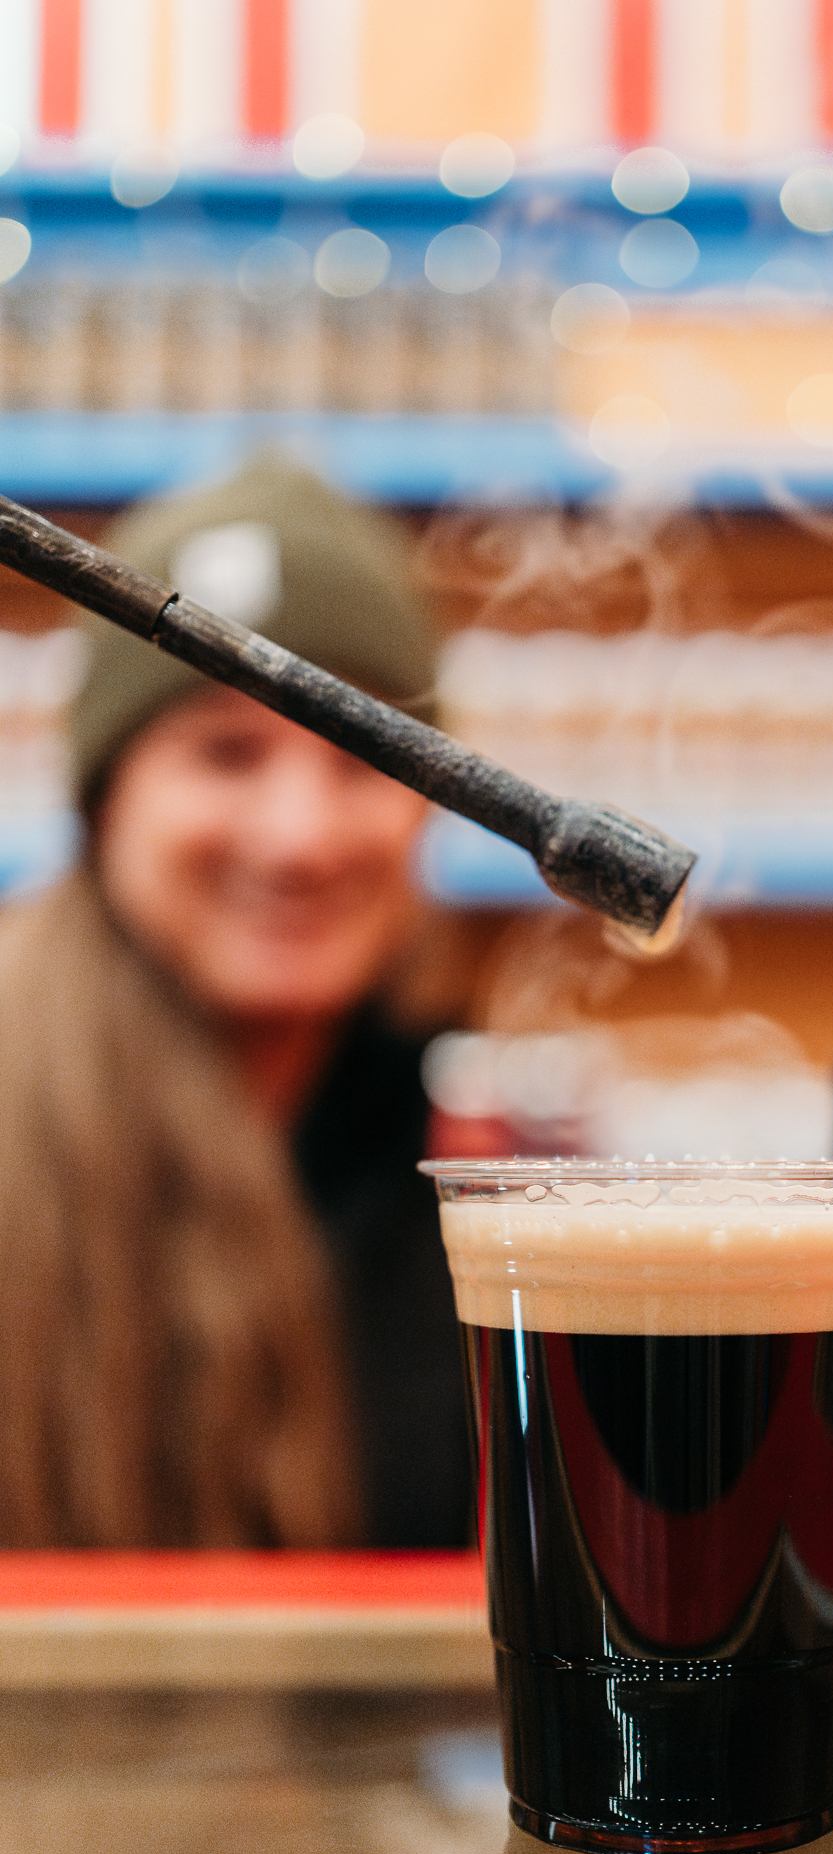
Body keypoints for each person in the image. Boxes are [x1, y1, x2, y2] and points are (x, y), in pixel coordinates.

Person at [0, 454, 474, 1548]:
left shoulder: (479, 1157)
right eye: (226, 753)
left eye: (360, 760)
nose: (300, 837)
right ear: (103, 797)